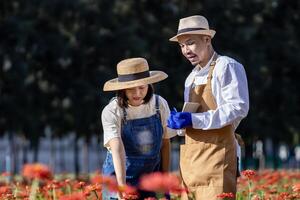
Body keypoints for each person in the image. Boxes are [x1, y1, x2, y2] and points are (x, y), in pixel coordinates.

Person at [167, 15, 249, 199]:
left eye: (190, 43)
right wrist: (179, 125)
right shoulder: (191, 78)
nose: (186, 50)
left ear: (207, 39)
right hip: (192, 161)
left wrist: (193, 119)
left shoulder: (226, 66)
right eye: (181, 46)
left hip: (218, 156)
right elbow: (193, 121)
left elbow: (238, 107)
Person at [101, 57, 176, 199]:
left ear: (149, 85)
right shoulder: (112, 111)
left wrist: (164, 179)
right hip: (119, 175)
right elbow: (117, 148)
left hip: (150, 178)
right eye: (130, 89)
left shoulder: (159, 105)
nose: (137, 93)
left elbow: (165, 143)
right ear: (122, 89)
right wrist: (121, 186)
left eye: (142, 87)